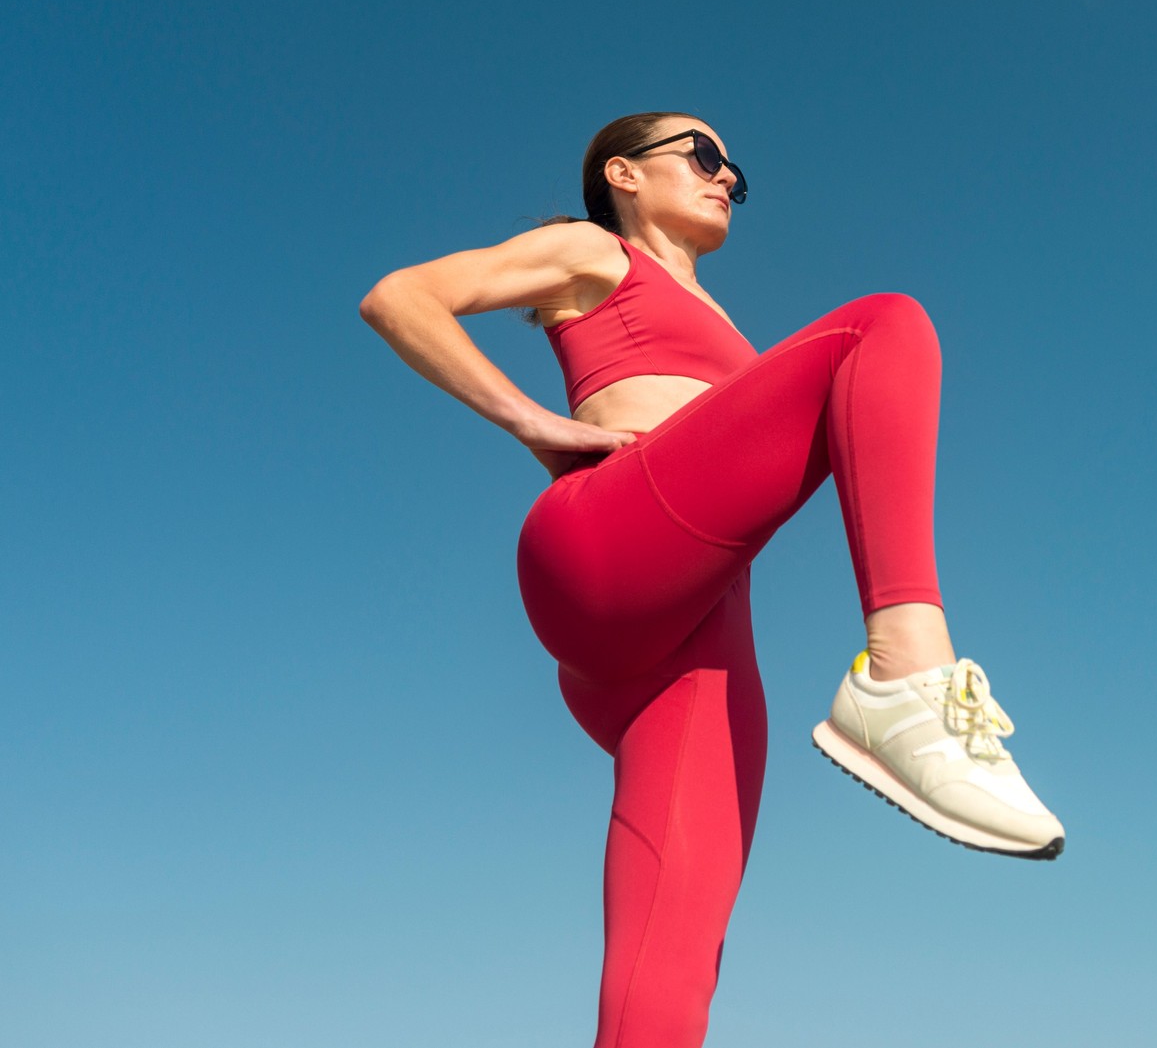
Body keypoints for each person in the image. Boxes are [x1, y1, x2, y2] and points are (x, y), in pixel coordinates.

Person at [358, 112, 1064, 1048]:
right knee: (885, 327)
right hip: (605, 544)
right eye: (702, 154)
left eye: (736, 169)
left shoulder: (732, 327)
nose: (727, 176)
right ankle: (906, 674)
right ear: (624, 173)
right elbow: (399, 296)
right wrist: (531, 421)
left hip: (697, 635)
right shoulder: (591, 253)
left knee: (672, 964)